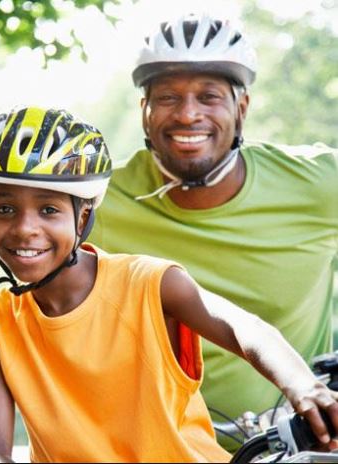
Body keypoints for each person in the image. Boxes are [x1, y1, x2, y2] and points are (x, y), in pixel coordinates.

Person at [0, 106, 338, 462]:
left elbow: (246, 329)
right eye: (5, 209)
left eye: (49, 210)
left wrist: (301, 385)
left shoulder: (148, 282)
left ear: (81, 220)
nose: (25, 228)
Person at [88, 11, 338, 432]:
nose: (188, 115)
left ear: (241, 107)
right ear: (143, 109)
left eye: (209, 96)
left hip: (293, 439)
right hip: (148, 442)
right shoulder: (95, 200)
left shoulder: (319, 185)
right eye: (168, 97)